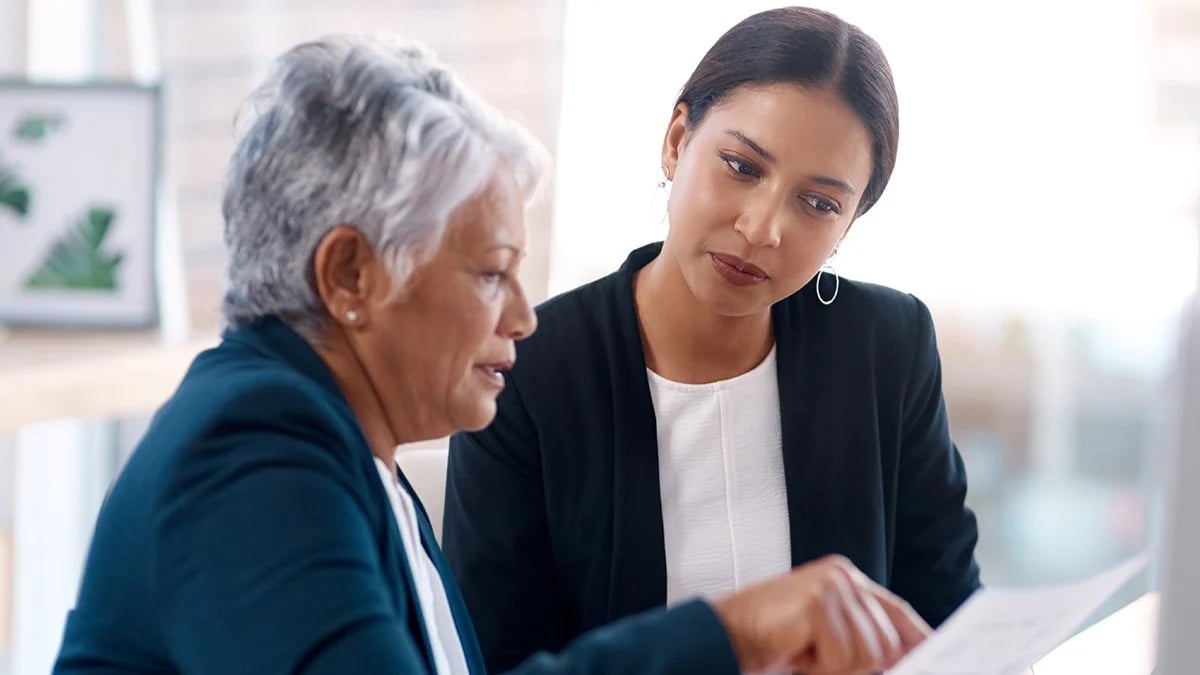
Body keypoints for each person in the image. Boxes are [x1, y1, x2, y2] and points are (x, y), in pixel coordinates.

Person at [53, 33, 929, 675]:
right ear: (351, 274)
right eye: (490, 274)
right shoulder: (252, 446)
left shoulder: (358, 461)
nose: (520, 316)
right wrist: (731, 632)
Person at [443, 6, 982, 673]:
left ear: (847, 226)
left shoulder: (886, 347)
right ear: (677, 140)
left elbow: (953, 623)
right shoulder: (526, 368)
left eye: (818, 204)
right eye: (742, 166)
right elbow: (500, 660)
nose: (763, 228)